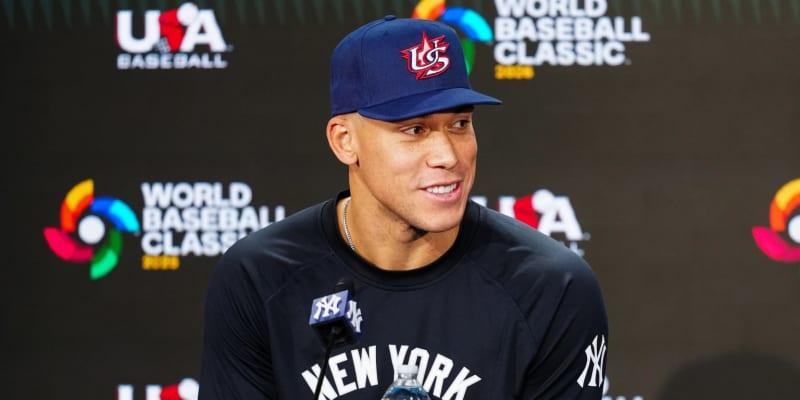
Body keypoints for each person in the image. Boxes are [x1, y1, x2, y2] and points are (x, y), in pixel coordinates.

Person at [199, 16, 608, 400]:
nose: (448, 155)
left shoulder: (550, 288)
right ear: (345, 141)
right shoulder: (260, 278)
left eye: (460, 124)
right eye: (414, 130)